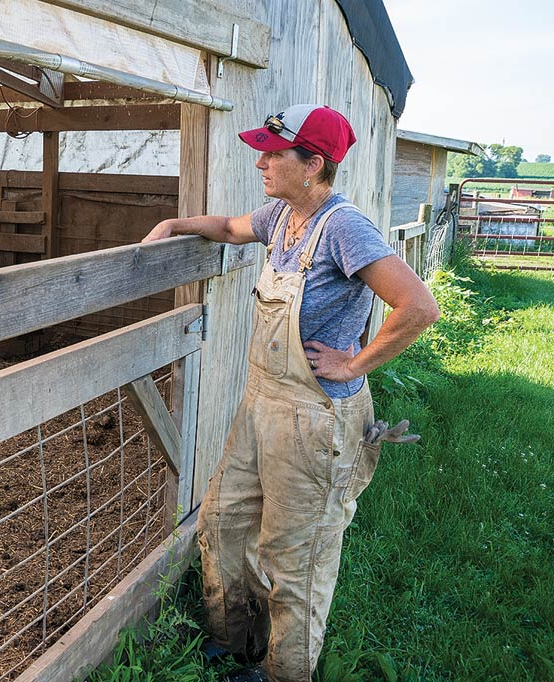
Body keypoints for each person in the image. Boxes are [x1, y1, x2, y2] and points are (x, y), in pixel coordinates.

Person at [142, 104, 440, 682]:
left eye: (274, 154)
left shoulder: (344, 227)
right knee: (224, 522)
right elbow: (229, 228)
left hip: (315, 418)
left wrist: (353, 361)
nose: (261, 162)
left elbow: (419, 307)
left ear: (314, 164)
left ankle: (286, 673)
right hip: (262, 405)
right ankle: (239, 645)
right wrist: (176, 225)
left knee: (294, 559)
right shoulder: (282, 216)